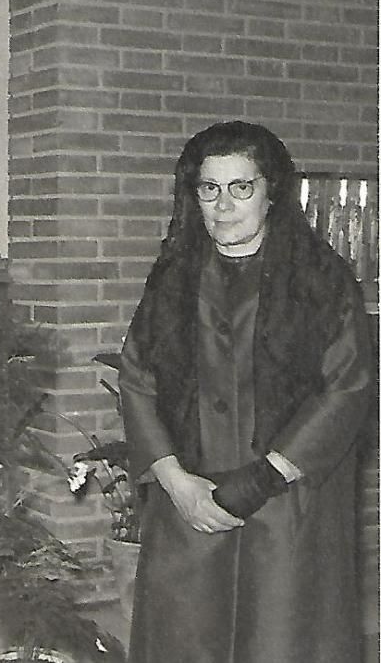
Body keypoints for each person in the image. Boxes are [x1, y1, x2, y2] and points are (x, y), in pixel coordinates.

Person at [119, 121, 374, 662]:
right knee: (184, 637)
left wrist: (264, 477)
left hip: (289, 502)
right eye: (209, 189)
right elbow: (137, 379)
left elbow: (346, 387)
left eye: (241, 187)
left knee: (284, 638)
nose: (223, 206)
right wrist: (176, 481)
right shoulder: (173, 279)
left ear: (271, 192)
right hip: (191, 500)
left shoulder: (322, 281)